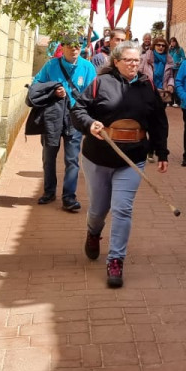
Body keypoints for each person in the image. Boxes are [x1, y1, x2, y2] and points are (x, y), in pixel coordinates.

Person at [71, 41, 169, 289]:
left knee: (122, 209)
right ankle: (93, 233)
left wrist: (162, 152)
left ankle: (116, 259)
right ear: (116, 61)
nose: (134, 65)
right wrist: (89, 123)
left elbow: (158, 120)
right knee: (99, 209)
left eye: (137, 61)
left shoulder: (147, 86)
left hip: (132, 159)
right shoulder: (100, 83)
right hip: (98, 158)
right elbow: (78, 109)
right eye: (129, 60)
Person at [27, 36, 97, 211]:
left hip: (75, 117)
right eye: (71, 46)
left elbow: (94, 92)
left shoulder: (87, 67)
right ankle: (49, 192)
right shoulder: (51, 65)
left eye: (78, 46)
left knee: (72, 159)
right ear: (63, 47)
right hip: (53, 115)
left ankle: (69, 197)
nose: (75, 49)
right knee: (49, 156)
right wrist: (53, 89)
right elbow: (36, 84)